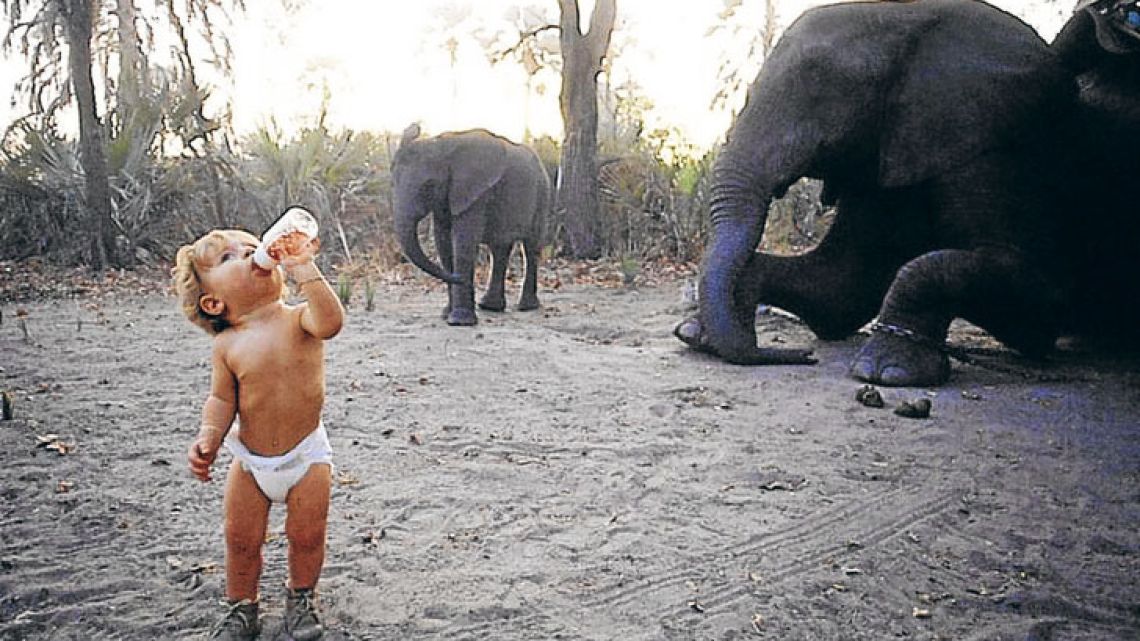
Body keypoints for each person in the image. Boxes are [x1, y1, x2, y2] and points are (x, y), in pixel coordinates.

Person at [172, 227, 344, 640]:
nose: (253, 254)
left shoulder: (298, 317)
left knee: (307, 535)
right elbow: (221, 400)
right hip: (249, 463)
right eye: (230, 258)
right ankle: (241, 607)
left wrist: (305, 267)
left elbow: (332, 322)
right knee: (240, 538)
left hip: (306, 457)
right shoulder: (227, 345)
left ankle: (301, 597)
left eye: (253, 247)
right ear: (213, 302)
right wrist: (209, 436)